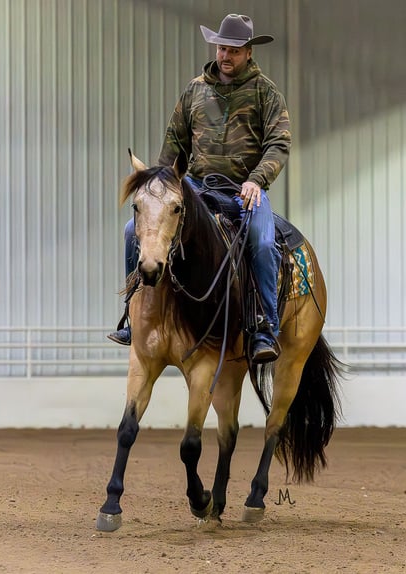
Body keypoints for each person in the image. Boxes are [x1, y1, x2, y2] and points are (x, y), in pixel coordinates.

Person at [108, 13, 291, 364]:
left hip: (244, 190)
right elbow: (174, 143)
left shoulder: (266, 92)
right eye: (222, 47)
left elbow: (279, 144)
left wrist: (257, 179)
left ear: (249, 52)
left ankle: (264, 329)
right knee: (134, 229)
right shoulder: (194, 90)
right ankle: (134, 315)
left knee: (263, 242)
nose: (226, 55)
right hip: (195, 188)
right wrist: (162, 185)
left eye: (234, 50)